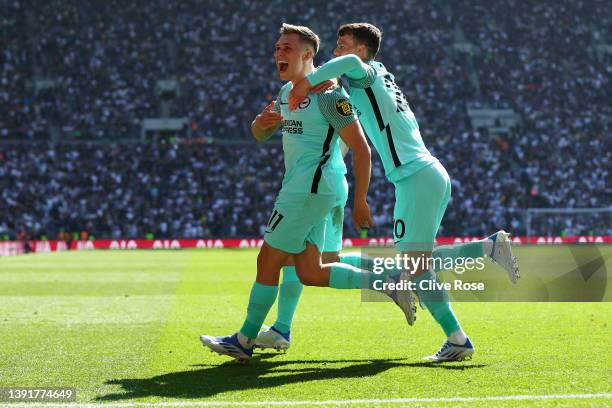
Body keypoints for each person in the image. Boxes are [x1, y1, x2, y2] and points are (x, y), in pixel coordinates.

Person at [287, 23, 520, 361]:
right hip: (427, 174)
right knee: (417, 264)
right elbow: (345, 126)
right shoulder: (376, 77)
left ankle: (459, 334)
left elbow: (348, 67)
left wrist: (305, 83)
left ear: (361, 51)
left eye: (343, 45)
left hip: (414, 177)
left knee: (415, 266)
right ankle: (486, 253)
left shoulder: (362, 71)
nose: (336, 52)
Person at [199, 24, 412, 362]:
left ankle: (243, 339)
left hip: (309, 191)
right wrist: (261, 121)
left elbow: (361, 147)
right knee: (309, 271)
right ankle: (385, 284)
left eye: (286, 48)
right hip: (308, 189)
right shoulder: (287, 93)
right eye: (277, 48)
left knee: (268, 259)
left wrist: (360, 199)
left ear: (307, 55)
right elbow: (259, 134)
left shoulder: (328, 94)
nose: (278, 53)